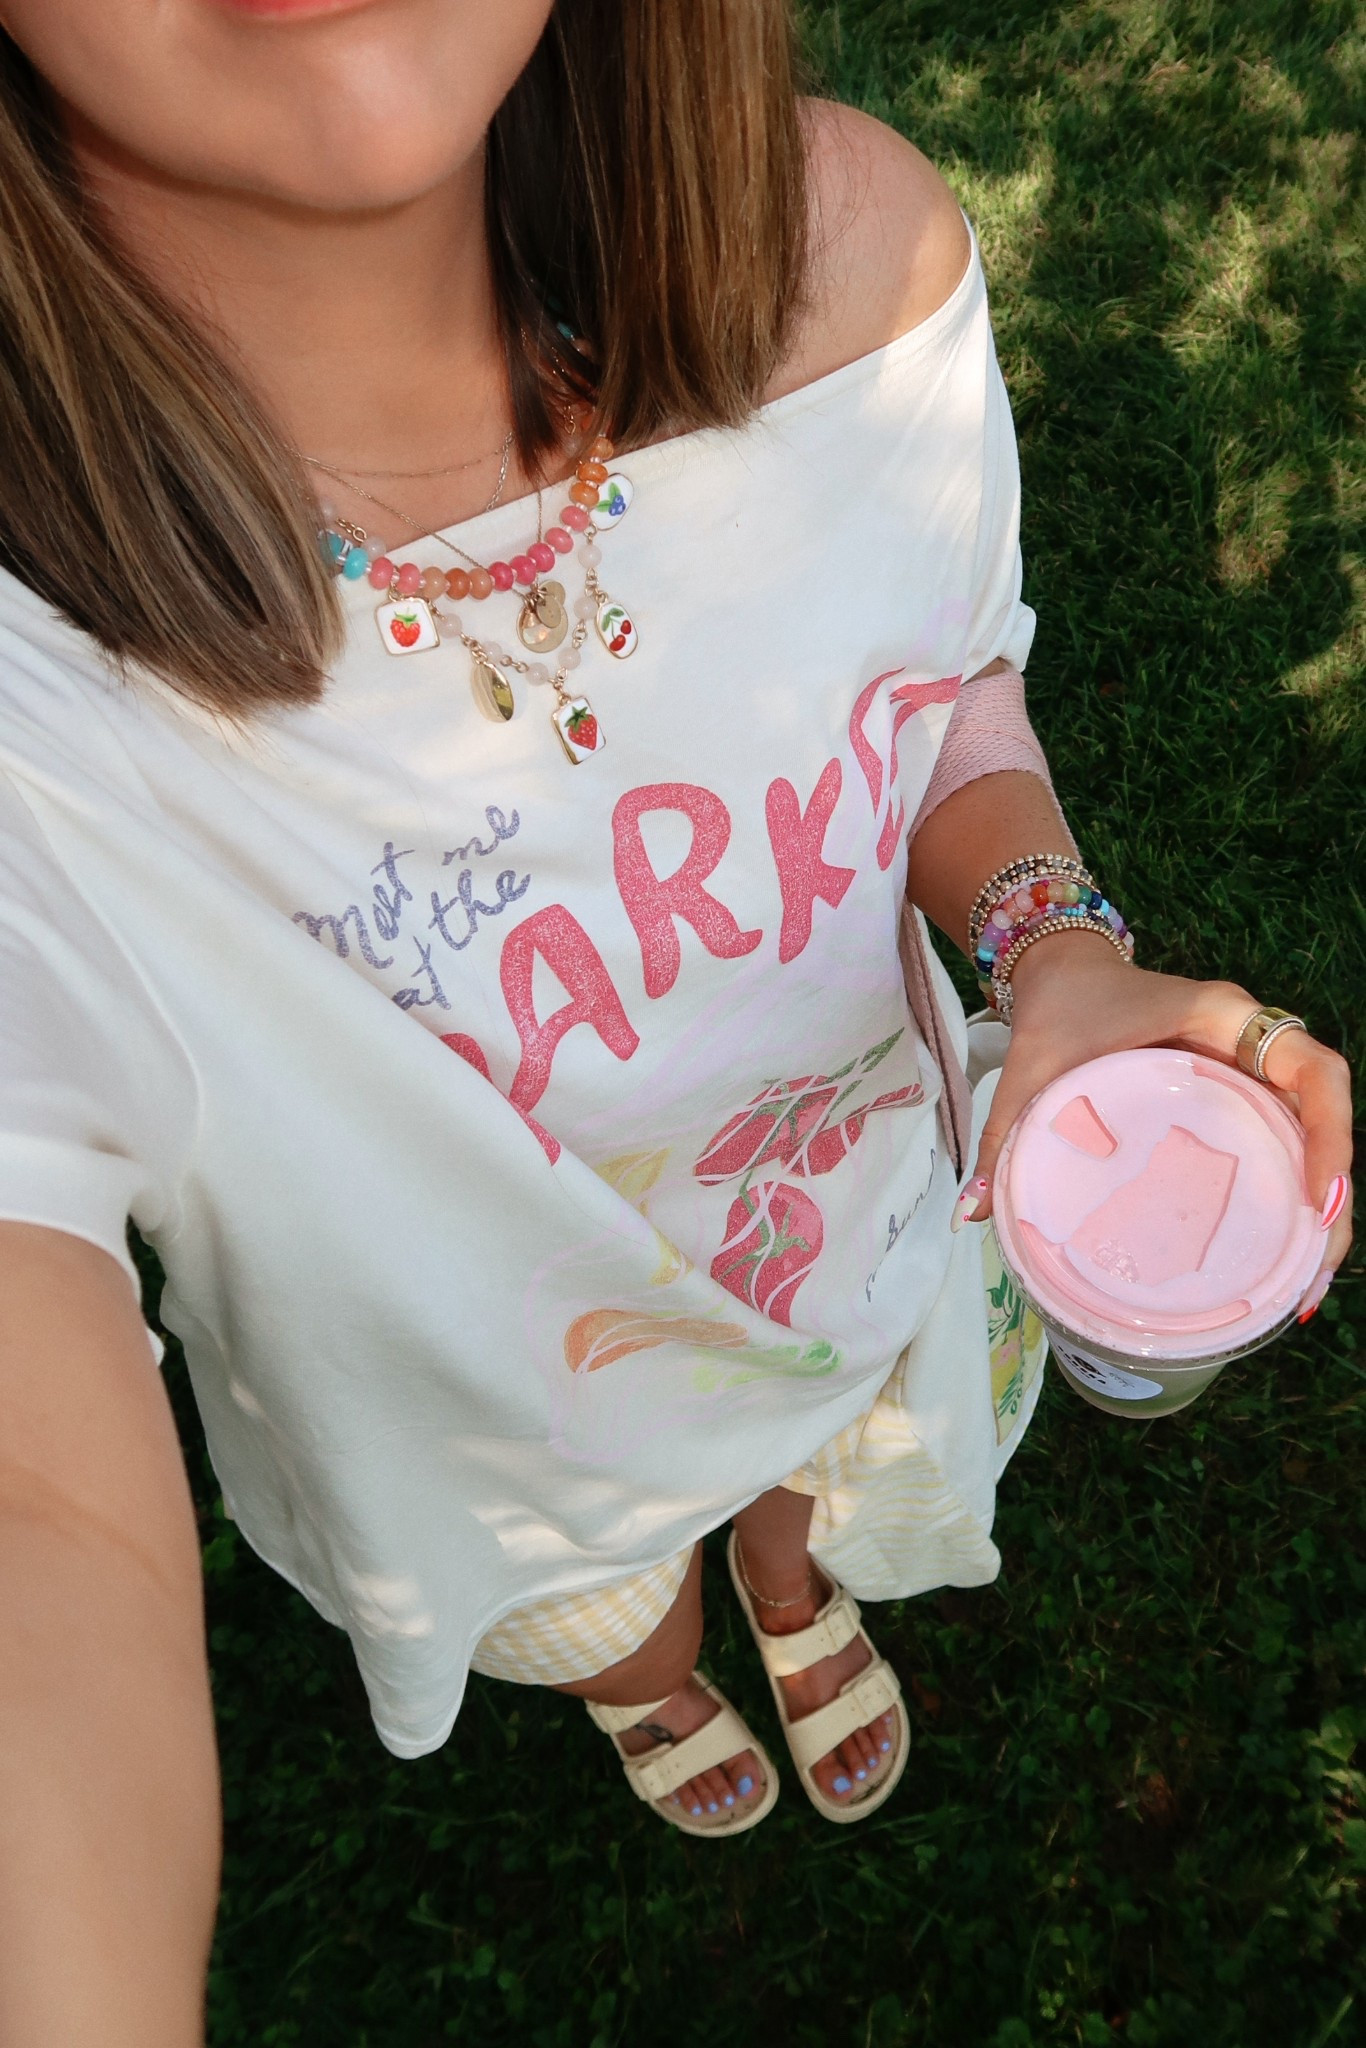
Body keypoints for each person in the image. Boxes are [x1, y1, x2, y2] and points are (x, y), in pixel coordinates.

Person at [0, 0, 1352, 2039]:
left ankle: (791, 1593)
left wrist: (1054, 951)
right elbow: (39, 1520)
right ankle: (651, 1675)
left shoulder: (844, 265)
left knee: (802, 1479)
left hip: (854, 1259)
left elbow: (945, 703)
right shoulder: (40, 712)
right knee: (596, 1607)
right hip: (505, 1453)